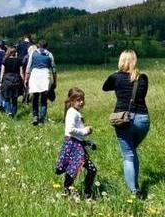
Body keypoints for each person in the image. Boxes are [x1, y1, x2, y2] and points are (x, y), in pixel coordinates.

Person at [102, 50, 149, 196]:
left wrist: (117, 73)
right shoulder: (143, 78)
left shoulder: (115, 77)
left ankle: (134, 191)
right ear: (135, 61)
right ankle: (135, 185)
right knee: (132, 151)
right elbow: (143, 94)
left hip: (123, 119)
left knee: (128, 155)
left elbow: (105, 87)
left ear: (121, 61)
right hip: (142, 120)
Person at [55, 88, 97, 198]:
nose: (81, 102)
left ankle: (71, 191)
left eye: (82, 99)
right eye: (78, 100)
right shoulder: (72, 113)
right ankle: (82, 192)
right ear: (72, 101)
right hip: (73, 145)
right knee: (78, 169)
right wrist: (85, 131)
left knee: (74, 169)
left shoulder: (75, 112)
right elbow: (70, 129)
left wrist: (86, 141)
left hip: (77, 143)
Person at [25, 40, 56, 125]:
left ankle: (35, 116)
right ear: (47, 46)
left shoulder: (33, 53)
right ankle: (42, 119)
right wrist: (55, 81)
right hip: (45, 75)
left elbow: (28, 67)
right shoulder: (49, 54)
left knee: (35, 97)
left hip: (35, 75)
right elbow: (53, 69)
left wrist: (26, 79)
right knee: (43, 99)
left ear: (38, 45)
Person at [0, 47, 25, 118]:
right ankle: (14, 114)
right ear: (15, 53)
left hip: (7, 80)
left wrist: (1, 82)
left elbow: (2, 72)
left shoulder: (5, 60)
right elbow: (21, 72)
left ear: (9, 53)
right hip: (16, 80)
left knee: (7, 98)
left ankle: (8, 111)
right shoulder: (19, 61)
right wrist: (23, 81)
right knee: (14, 99)